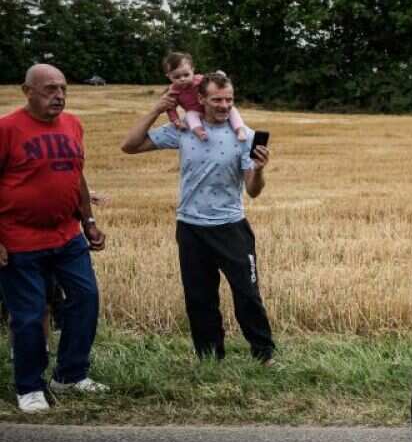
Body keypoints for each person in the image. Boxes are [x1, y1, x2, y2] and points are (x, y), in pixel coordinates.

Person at [119, 72, 276, 364]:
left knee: (247, 294)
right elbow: (130, 145)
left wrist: (260, 169)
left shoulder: (245, 136)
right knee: (199, 298)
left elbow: (253, 191)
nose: (224, 105)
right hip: (191, 228)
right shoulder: (183, 129)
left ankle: (264, 354)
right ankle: (209, 357)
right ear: (201, 99)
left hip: (231, 227)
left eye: (229, 99)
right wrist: (156, 109)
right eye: (217, 99)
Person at [0, 64, 109, 412]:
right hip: (19, 240)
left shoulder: (73, 125)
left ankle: (71, 375)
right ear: (26, 91)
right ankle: (29, 386)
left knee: (86, 298)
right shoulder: (7, 129)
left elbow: (76, 176)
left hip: (67, 236)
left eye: (62, 88)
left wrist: (88, 220)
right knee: (29, 314)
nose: (59, 95)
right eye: (49, 89)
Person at [162, 52, 249, 143]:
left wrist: (220, 76)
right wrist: (176, 120)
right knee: (189, 115)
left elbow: (212, 80)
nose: (182, 79)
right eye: (177, 77)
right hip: (196, 112)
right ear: (168, 76)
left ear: (192, 70)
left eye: (186, 75)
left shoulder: (199, 79)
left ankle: (240, 130)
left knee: (232, 110)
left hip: (209, 108)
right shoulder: (172, 92)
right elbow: (170, 108)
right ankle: (200, 132)